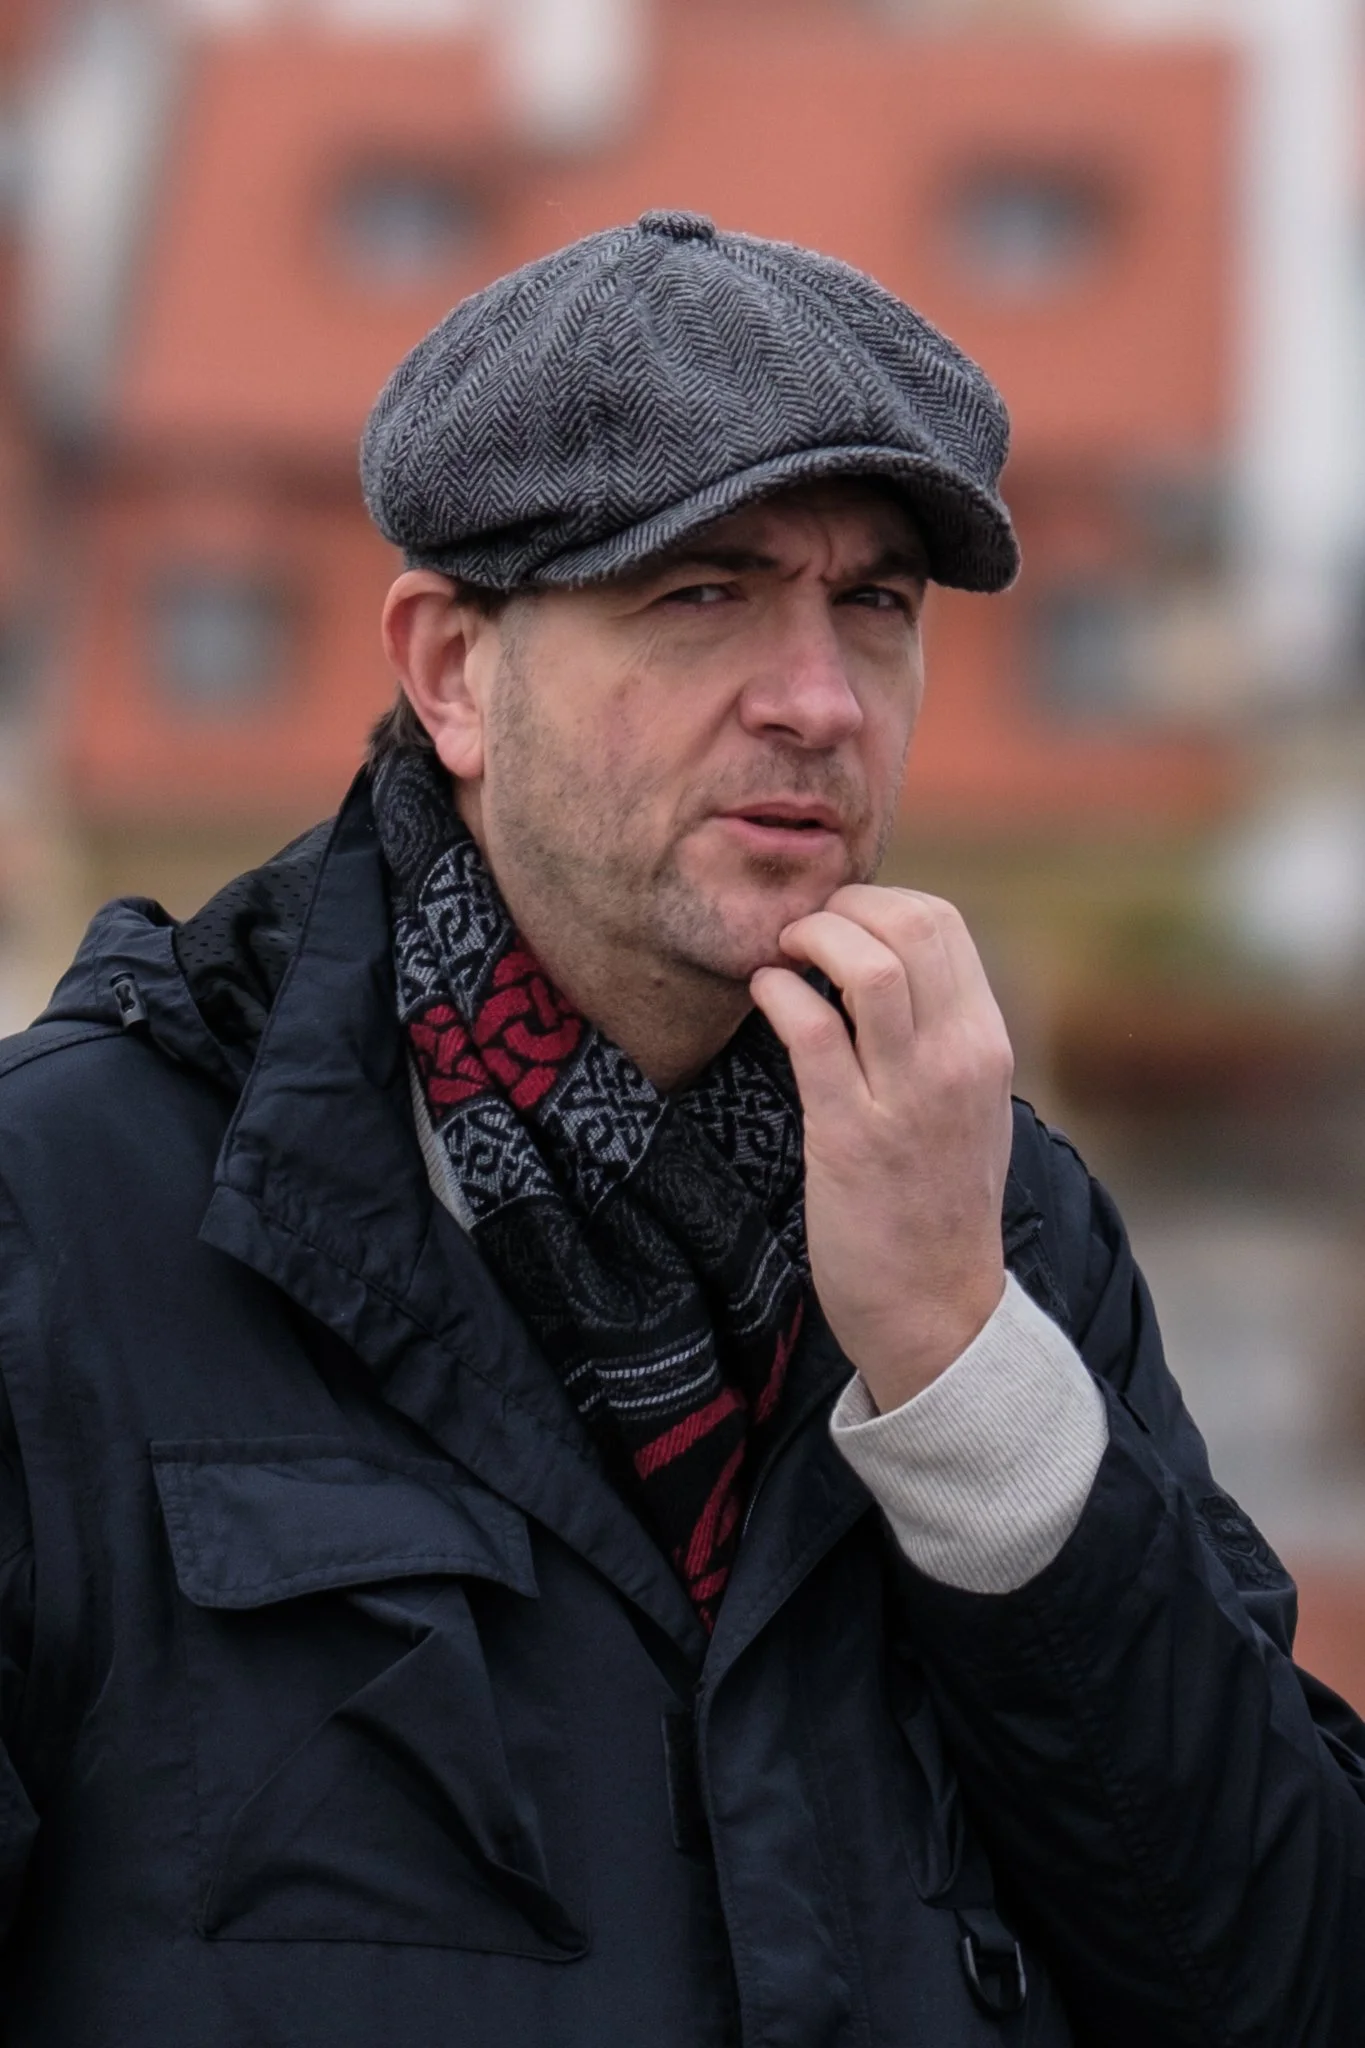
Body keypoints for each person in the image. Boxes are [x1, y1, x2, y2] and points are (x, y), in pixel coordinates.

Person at [0, 209, 1361, 2047]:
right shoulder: (59, 1225)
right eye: (702, 593)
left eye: (876, 603)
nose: (819, 699)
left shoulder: (1002, 1229)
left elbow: (1285, 1982)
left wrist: (963, 1376)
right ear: (452, 672)